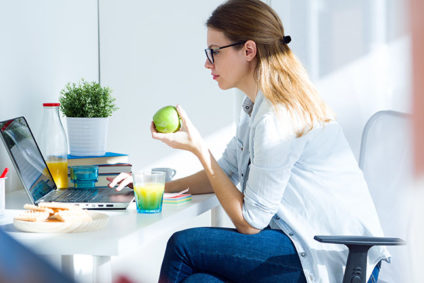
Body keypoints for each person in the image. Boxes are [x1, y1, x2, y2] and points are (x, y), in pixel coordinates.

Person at [109, 0, 390, 282]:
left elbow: (249, 222)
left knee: (183, 246)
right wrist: (147, 189)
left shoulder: (277, 118)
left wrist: (199, 149)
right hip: (298, 243)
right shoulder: (256, 108)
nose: (207, 63)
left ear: (248, 50)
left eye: (214, 52)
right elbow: (225, 171)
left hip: (328, 256)